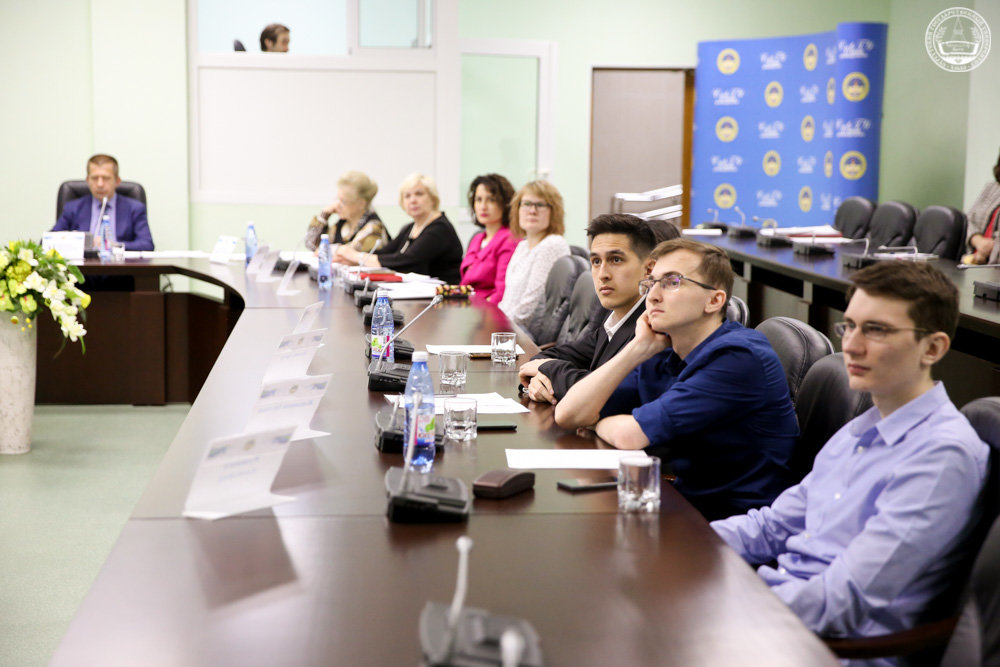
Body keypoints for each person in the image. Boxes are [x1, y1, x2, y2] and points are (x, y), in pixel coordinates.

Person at [712, 261, 989, 644]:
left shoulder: (942, 456)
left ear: (933, 348)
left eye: (876, 330)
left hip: (826, 644)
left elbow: (839, 602)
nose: (852, 345)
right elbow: (773, 526)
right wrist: (686, 549)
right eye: (850, 326)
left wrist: (726, 603)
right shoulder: (862, 426)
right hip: (778, 614)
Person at [554, 238, 798, 519]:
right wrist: (636, 349)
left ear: (714, 300)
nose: (652, 297)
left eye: (672, 282)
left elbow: (627, 435)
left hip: (734, 525)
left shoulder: (739, 358)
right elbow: (569, 414)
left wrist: (598, 422)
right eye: (651, 283)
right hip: (686, 505)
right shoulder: (665, 346)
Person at [518, 214, 679, 404]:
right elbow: (549, 356)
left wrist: (548, 370)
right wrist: (540, 377)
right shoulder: (613, 321)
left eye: (616, 260)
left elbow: (614, 395)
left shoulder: (656, 327)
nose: (603, 274)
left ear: (649, 270)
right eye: (596, 261)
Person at [335, 173, 463, 283]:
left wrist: (355, 256)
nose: (413, 200)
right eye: (407, 196)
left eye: (419, 194)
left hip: (443, 298)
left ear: (433, 198)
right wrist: (354, 261)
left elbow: (407, 261)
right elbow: (385, 253)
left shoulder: (440, 229)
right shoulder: (410, 228)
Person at [497, 181, 571, 332]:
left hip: (525, 333)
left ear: (554, 211)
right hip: (510, 326)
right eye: (526, 204)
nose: (532, 210)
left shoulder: (552, 245)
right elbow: (507, 300)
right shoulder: (522, 246)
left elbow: (528, 309)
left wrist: (497, 324)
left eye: (540, 205)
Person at [52, 154, 154, 251]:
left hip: (119, 262)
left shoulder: (134, 208)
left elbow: (147, 244)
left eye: (106, 178)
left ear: (117, 181)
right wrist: (73, 240)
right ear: (87, 180)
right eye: (94, 178)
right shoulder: (73, 208)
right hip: (83, 263)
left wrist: (114, 245)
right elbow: (48, 240)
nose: (100, 184)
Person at [459, 174, 519, 302]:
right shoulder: (477, 238)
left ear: (505, 203)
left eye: (491, 200)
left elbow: (502, 293)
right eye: (478, 199)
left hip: (488, 310)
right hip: (466, 304)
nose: (483, 206)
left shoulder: (509, 240)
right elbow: (464, 285)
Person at [305, 170, 388, 253]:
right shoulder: (344, 225)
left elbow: (348, 253)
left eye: (343, 201)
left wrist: (324, 250)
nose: (337, 205)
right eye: (337, 199)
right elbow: (312, 244)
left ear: (361, 203)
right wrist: (324, 216)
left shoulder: (374, 227)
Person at [962, 147, 1000, 265]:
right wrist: (978, 241)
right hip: (972, 261)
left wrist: (987, 251)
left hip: (993, 268)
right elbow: (969, 220)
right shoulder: (992, 187)